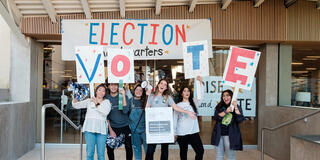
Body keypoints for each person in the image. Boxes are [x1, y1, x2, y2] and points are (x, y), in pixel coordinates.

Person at [145, 79, 197, 160]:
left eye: (165, 84)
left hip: (164, 127)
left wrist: (187, 112)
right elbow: (147, 111)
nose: (162, 85)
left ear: (166, 88)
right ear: (158, 85)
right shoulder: (151, 96)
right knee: (150, 150)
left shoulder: (167, 97)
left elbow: (176, 107)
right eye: (161, 83)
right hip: (153, 127)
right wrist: (146, 127)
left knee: (164, 150)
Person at [72, 84, 111, 160]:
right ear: (96, 91)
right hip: (89, 129)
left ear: (105, 93)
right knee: (89, 153)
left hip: (102, 130)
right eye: (99, 90)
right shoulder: (89, 101)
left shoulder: (107, 102)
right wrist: (74, 99)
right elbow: (76, 105)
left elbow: (105, 112)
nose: (101, 92)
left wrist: (97, 103)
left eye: (103, 91)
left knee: (101, 155)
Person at [174, 76, 204, 160]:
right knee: (183, 153)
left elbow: (201, 96)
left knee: (200, 151)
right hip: (182, 133)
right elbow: (175, 120)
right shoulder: (178, 105)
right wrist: (174, 133)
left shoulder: (194, 102)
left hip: (193, 132)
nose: (187, 92)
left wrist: (200, 83)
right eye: (185, 91)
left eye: (188, 91)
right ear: (181, 93)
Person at [211, 89, 244, 160]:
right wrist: (226, 111)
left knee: (230, 157)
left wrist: (235, 107)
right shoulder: (219, 106)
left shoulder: (236, 107)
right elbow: (216, 117)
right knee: (219, 156)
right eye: (223, 96)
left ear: (232, 97)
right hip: (219, 134)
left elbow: (240, 119)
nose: (225, 97)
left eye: (227, 95)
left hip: (230, 135)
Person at [106, 83, 132, 160]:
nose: (113, 87)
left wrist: (123, 95)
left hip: (125, 126)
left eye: (115, 85)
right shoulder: (106, 98)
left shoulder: (124, 96)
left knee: (129, 147)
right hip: (113, 127)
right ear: (108, 86)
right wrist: (110, 130)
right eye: (111, 85)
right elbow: (106, 116)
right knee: (110, 148)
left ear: (118, 86)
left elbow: (125, 111)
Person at [128, 84, 148, 160]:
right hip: (134, 131)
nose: (138, 91)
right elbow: (126, 114)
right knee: (137, 151)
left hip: (145, 131)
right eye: (137, 90)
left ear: (143, 92)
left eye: (141, 90)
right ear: (134, 91)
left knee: (148, 151)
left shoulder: (146, 101)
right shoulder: (130, 101)